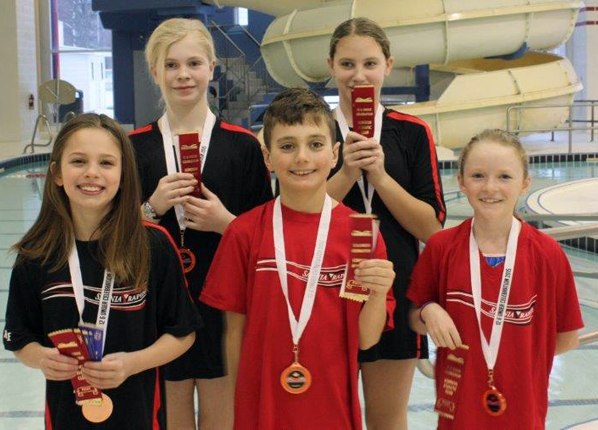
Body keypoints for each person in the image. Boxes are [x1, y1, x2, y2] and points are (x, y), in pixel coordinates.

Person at [200, 88, 396, 429]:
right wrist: (240, 407)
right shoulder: (244, 232)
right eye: (287, 146)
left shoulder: (360, 234)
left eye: (315, 144)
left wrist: (378, 294)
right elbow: (234, 333)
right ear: (267, 157)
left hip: (332, 408)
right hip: (263, 410)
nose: (302, 157)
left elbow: (366, 339)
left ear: (334, 154)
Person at [2, 114, 202, 429]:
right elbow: (19, 337)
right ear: (56, 173)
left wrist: (132, 363)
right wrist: (41, 358)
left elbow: (182, 333)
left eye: (106, 163)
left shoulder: (152, 245)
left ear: (123, 175)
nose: (92, 173)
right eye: (78, 161)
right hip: (66, 417)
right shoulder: (36, 254)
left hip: (139, 416)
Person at [129, 18, 273, 429]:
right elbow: (111, 237)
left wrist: (227, 224)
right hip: (159, 306)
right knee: (170, 417)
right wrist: (150, 209)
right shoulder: (133, 148)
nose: (183, 75)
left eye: (193, 63)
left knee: (222, 418)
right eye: (171, 65)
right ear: (154, 71)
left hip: (224, 305)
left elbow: (269, 238)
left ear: (212, 67)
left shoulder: (243, 147)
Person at [407, 129, 584, 429]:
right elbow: (414, 319)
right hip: (459, 412)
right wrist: (428, 310)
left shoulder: (547, 254)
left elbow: (567, 338)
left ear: (525, 183)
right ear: (461, 181)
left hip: (522, 414)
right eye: (478, 176)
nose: (490, 187)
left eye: (504, 177)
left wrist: (516, 356)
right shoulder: (441, 248)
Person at [326, 17, 447, 429]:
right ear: (330, 66)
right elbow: (293, 215)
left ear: (388, 66)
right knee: (326, 418)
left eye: (370, 64)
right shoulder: (314, 131)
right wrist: (346, 173)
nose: (358, 76)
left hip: (394, 286)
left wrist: (380, 177)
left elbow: (431, 228)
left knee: (387, 420)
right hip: (325, 288)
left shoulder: (411, 133)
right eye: (347, 64)